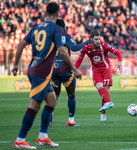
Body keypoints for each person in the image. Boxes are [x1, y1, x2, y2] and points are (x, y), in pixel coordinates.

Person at [12, 2, 82, 149]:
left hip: (35, 70)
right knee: (34, 106)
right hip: (41, 73)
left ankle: (43, 137)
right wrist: (74, 69)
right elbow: (62, 52)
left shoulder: (36, 27)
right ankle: (20, 139)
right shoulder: (57, 29)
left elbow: (20, 45)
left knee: (52, 101)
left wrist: (15, 65)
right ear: (58, 14)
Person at [50, 19, 91, 126]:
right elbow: (74, 48)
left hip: (53, 70)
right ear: (63, 27)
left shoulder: (50, 37)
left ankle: (49, 119)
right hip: (65, 69)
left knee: (54, 95)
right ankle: (71, 121)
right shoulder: (66, 36)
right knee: (71, 94)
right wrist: (86, 43)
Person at [75, 30, 122, 121]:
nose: (98, 41)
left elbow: (117, 52)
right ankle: (108, 102)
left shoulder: (104, 45)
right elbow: (79, 61)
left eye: (99, 39)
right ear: (91, 39)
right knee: (99, 87)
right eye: (96, 39)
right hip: (96, 70)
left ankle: (103, 114)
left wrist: (120, 61)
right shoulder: (86, 48)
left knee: (106, 90)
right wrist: (74, 69)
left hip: (106, 68)